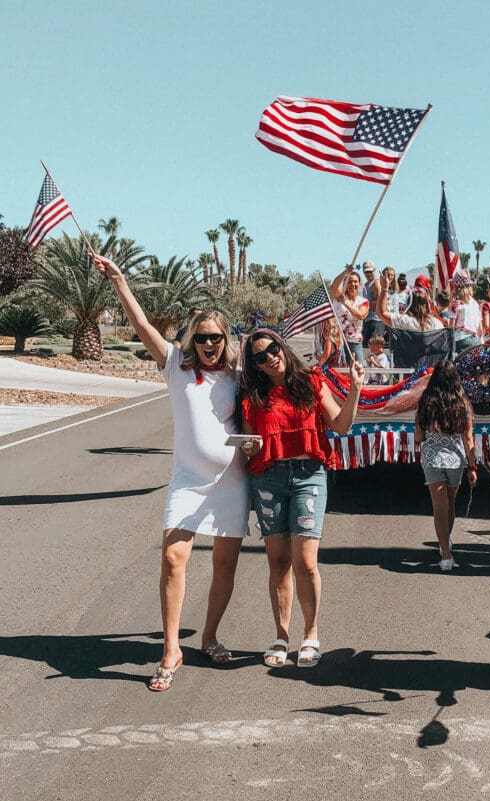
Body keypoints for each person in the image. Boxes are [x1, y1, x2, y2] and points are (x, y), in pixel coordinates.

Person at [90, 254, 249, 692]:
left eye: (216, 338)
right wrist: (120, 281)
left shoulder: (237, 374)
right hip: (188, 481)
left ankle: (211, 635)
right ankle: (170, 648)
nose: (209, 344)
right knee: (173, 558)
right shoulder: (176, 366)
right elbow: (142, 327)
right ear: (192, 338)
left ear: (225, 339)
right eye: (202, 337)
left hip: (231, 482)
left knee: (224, 563)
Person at [238, 330, 363, 670]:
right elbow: (250, 440)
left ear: (283, 347)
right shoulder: (253, 394)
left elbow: (340, 425)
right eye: (260, 358)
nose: (270, 359)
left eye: (272, 350)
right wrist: (250, 447)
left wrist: (354, 389)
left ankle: (311, 633)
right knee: (278, 562)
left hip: (309, 475)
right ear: (255, 366)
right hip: (268, 478)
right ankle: (281, 635)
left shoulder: (311, 381)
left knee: (305, 562)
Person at [414, 360, 477, 571]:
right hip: (456, 460)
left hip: (432, 459)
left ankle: (446, 555)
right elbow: (468, 439)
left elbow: (418, 436)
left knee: (439, 508)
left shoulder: (425, 403)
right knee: (450, 505)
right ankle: (446, 543)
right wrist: (473, 467)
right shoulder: (463, 405)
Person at [375, 268, 445, 331]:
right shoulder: (437, 324)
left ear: (409, 304)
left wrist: (384, 287)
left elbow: (381, 313)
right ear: (427, 305)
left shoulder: (405, 321)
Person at [330, 265, 369, 364]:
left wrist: (346, 303)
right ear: (345, 285)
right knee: (338, 370)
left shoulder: (363, 301)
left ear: (359, 284)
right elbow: (334, 286)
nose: (353, 284)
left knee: (358, 368)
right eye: (349, 282)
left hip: (354, 340)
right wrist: (345, 272)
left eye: (355, 281)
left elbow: (360, 315)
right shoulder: (340, 296)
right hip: (337, 340)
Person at [448, 271, 483, 354]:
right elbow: (480, 329)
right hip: (474, 341)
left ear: (456, 286)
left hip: (460, 340)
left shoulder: (456, 303)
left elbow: (451, 327)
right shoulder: (475, 303)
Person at [360, 260, 385, 347]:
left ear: (374, 270)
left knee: (375, 346)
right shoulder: (366, 284)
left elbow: (378, 301)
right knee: (367, 347)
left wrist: (366, 307)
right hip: (368, 319)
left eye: (370, 271)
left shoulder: (376, 282)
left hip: (376, 320)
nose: (369, 274)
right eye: (366, 272)